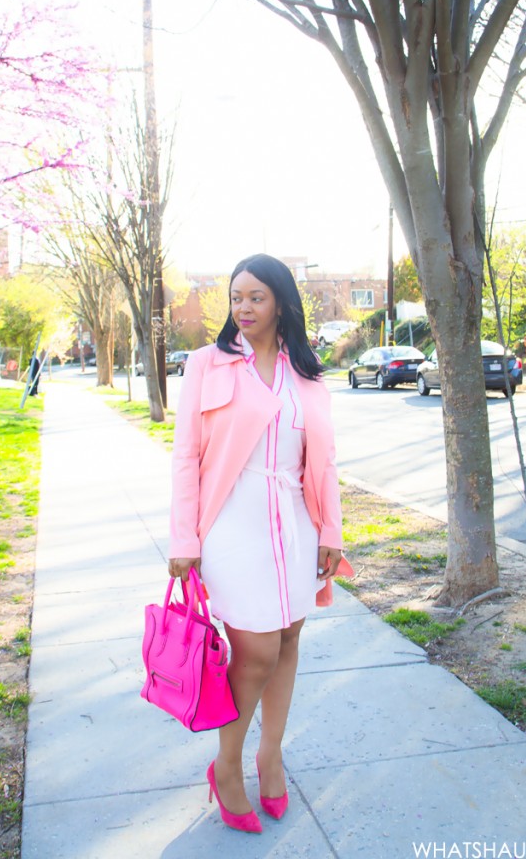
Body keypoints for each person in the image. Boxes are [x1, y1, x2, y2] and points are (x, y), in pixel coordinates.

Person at [168, 253, 352, 834]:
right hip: (233, 523)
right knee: (255, 651)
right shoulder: (208, 364)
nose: (243, 308)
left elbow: (322, 461)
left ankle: (270, 754)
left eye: (256, 297)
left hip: (296, 520)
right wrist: (184, 538)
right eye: (236, 296)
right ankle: (226, 766)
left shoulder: (308, 372)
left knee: (290, 634)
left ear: (281, 304)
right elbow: (186, 458)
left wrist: (330, 530)